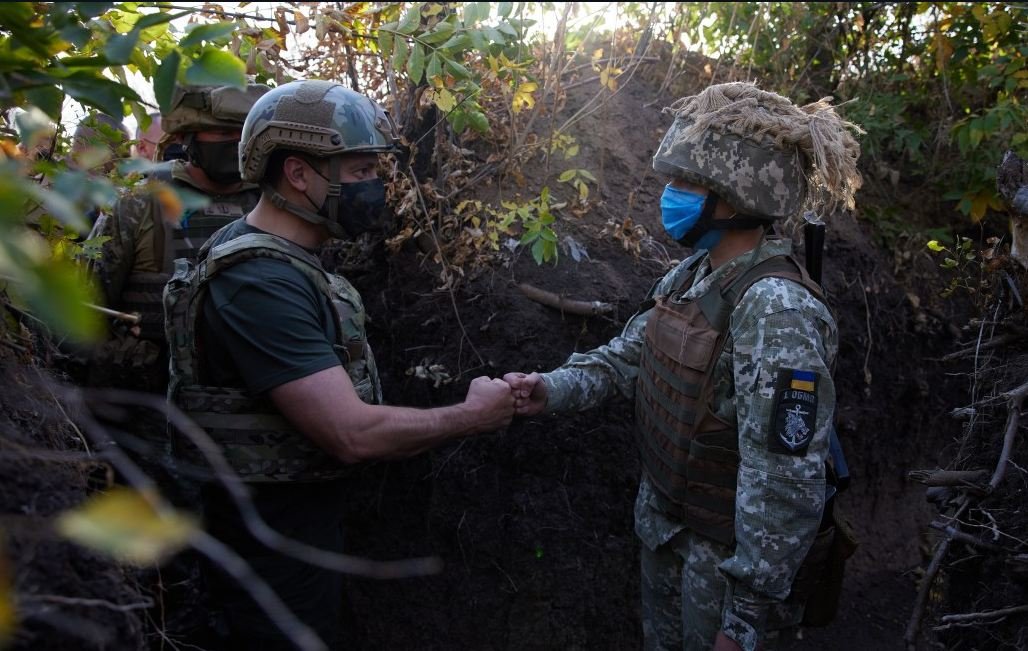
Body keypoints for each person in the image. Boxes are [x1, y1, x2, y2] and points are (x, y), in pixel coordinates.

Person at [504, 82, 862, 651]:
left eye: (688, 183)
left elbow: (784, 482)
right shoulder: (694, 274)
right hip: (667, 534)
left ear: (737, 194)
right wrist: (549, 389)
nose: (670, 194)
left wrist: (744, 620)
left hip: (724, 568)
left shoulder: (778, 310)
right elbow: (631, 356)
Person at [163, 79, 514, 649]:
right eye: (359, 172)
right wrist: (474, 415)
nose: (374, 187)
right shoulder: (259, 283)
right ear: (299, 174)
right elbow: (350, 434)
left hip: (286, 530)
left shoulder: (275, 254)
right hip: (268, 549)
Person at [86, 83, 269, 392]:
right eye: (222, 133)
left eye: (242, 133)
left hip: (251, 394)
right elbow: (87, 305)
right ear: (187, 136)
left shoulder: (272, 201)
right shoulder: (138, 201)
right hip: (149, 404)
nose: (235, 142)